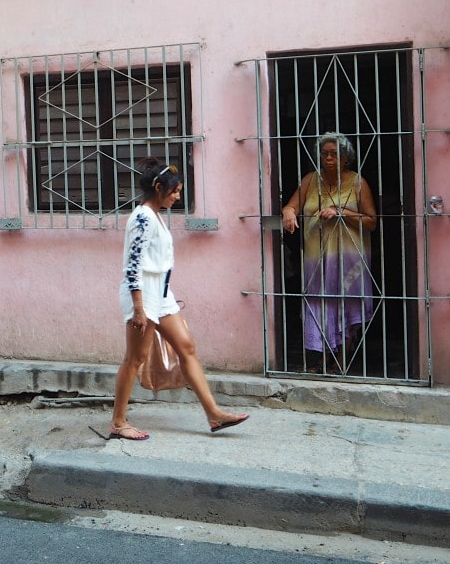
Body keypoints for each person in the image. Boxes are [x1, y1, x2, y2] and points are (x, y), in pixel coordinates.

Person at [109, 157, 250, 440]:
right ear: (158, 187)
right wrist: (138, 308)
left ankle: (214, 414)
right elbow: (133, 264)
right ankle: (118, 422)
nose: (177, 196)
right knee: (134, 359)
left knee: (186, 347)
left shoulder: (155, 215)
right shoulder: (142, 217)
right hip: (143, 295)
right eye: (174, 191)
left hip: (160, 294)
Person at [281, 132, 377, 374]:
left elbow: (371, 221)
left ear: (346, 157)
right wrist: (289, 213)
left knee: (344, 305)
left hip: (349, 258)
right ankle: (320, 360)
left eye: (334, 154)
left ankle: (342, 360)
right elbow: (291, 205)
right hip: (317, 258)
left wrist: (341, 211)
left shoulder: (358, 183)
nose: (328, 158)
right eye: (324, 154)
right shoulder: (310, 180)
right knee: (320, 305)